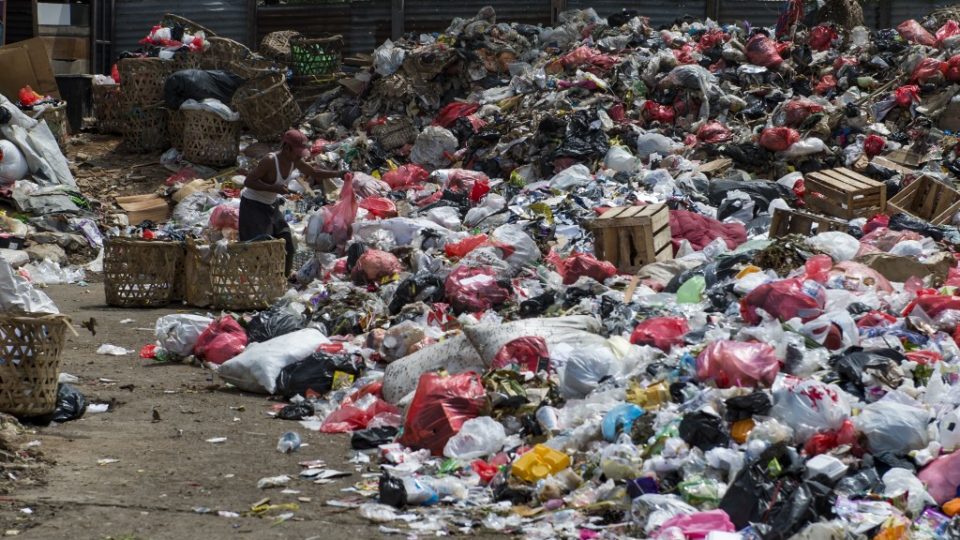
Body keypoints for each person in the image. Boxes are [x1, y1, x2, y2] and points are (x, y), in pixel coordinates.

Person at [239, 129, 339, 276]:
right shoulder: (270, 161)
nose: (299, 156)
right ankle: (262, 279)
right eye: (297, 152)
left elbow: (314, 172)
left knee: (286, 242)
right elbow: (249, 181)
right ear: (286, 148)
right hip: (253, 206)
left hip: (271, 205)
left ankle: (284, 278)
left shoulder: (294, 161)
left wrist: (338, 173)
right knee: (261, 248)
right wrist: (274, 188)